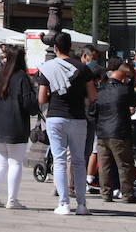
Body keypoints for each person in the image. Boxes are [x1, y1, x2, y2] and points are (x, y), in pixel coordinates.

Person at [37, 32, 96, 216]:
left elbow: (41, 98)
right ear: (71, 47)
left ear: (55, 48)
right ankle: (81, 204)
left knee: (60, 160)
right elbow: (93, 96)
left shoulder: (48, 68)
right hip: (78, 118)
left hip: (56, 117)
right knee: (79, 161)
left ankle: (63, 204)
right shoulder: (83, 68)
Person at [0, 45, 39, 209]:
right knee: (15, 163)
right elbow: (30, 104)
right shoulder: (22, 77)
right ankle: (12, 200)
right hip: (16, 127)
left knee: (0, 163)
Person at [93, 59, 136, 203]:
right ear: (124, 77)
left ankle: (106, 193)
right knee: (124, 164)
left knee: (105, 165)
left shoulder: (100, 91)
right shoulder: (125, 89)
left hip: (102, 132)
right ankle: (127, 194)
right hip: (119, 132)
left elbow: (93, 111)